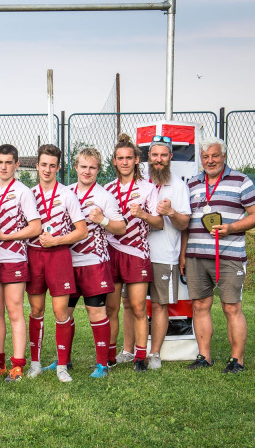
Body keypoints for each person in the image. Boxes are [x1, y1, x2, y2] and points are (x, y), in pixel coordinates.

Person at [180, 137, 255, 373]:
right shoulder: (193, 183)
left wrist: (231, 228)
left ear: (224, 156)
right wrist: (183, 254)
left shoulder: (241, 180)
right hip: (196, 255)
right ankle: (204, 357)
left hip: (229, 255)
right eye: (205, 157)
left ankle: (237, 360)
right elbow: (187, 222)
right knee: (199, 305)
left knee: (231, 307)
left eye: (215, 155)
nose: (210, 160)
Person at [62, 147, 126, 379]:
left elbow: (121, 228)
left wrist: (103, 219)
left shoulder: (104, 195)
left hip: (93, 262)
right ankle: (64, 362)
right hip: (67, 263)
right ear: (75, 167)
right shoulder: (65, 192)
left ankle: (102, 364)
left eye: (92, 167)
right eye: (83, 166)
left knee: (95, 311)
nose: (87, 171)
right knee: (64, 312)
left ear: (99, 169)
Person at [25, 144, 87, 382]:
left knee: (61, 311)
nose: (47, 169)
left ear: (58, 168)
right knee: (37, 309)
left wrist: (57, 240)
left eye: (52, 165)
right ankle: (35, 364)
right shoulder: (28, 193)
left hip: (59, 256)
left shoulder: (67, 194)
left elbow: (82, 231)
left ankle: (62, 366)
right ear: (37, 166)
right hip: (34, 255)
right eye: (43, 165)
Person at [104, 134, 163, 372]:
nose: (125, 162)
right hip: (110, 252)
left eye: (129, 157)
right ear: (115, 161)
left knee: (138, 307)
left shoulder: (148, 188)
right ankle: (109, 356)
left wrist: (143, 215)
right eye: (121, 158)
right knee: (112, 308)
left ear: (137, 160)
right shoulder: (107, 189)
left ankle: (140, 356)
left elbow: (159, 223)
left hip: (136, 253)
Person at [0, 145, 41, 382]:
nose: (4, 167)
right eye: (0, 162)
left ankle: (17, 365)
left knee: (14, 311)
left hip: (14, 258)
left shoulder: (23, 191)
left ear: (17, 165)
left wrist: (6, 237)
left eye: (8, 162)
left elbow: (35, 227)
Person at [146, 136, 191, 370]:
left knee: (159, 305)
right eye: (155, 155)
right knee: (131, 304)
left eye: (164, 155)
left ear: (171, 157)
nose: (159, 160)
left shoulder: (179, 185)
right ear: (149, 157)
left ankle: (154, 353)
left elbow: (184, 224)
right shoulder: (140, 181)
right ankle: (131, 349)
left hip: (164, 255)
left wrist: (171, 212)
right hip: (136, 253)